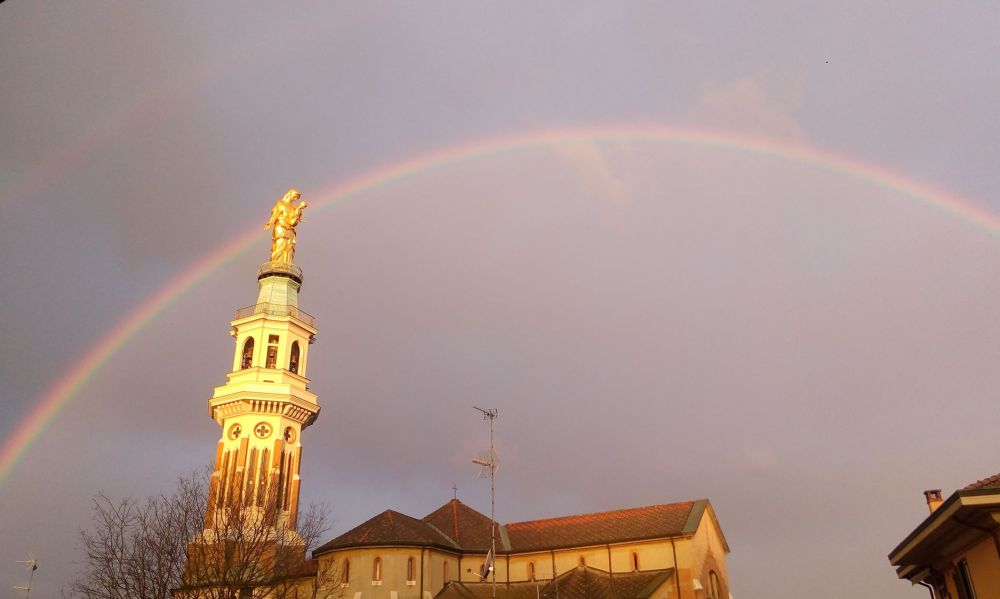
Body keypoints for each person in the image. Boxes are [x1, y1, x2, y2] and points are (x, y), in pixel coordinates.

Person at [264, 188, 307, 263]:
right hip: (281, 227)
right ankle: (275, 264)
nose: (295, 199)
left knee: (289, 247)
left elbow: (294, 220)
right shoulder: (280, 203)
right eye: (295, 196)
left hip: (290, 229)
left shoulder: (293, 207)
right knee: (280, 244)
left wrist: (299, 211)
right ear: (290, 195)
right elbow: (275, 214)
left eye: (296, 198)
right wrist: (270, 223)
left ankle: (286, 264)